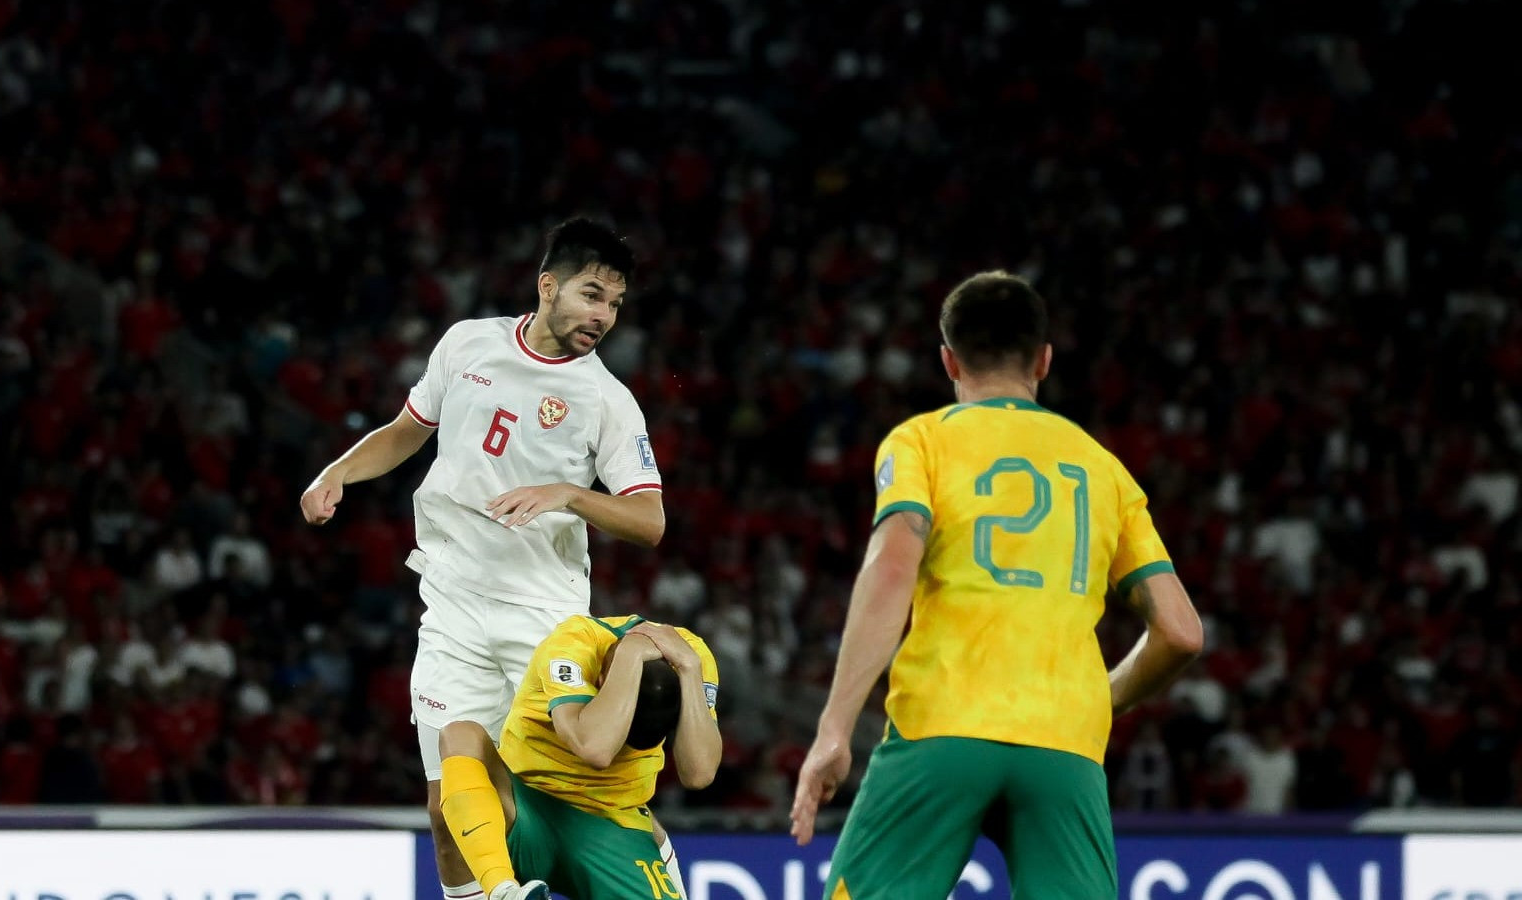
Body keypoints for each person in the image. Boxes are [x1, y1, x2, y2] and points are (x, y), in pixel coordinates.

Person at [790, 271, 1203, 898]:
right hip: (1065, 748)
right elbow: (1180, 632)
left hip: (942, 731)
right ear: (1044, 360)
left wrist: (834, 729)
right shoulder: (1103, 468)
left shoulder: (923, 440)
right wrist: (1100, 697)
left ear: (948, 360)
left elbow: (893, 568)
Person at [299, 219, 672, 900]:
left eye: (614, 305)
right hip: (452, 604)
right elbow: (407, 431)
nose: (602, 316)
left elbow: (650, 520)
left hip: (542, 618)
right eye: (591, 295)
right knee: (447, 809)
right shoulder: (467, 343)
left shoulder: (607, 401)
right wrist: (339, 474)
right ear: (547, 284)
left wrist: (569, 495)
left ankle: (648, 849)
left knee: (562, 800)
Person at [436, 615, 720, 900]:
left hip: (612, 825)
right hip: (527, 806)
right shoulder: (573, 643)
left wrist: (690, 668)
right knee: (460, 735)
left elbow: (699, 774)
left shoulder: (690, 654)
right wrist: (630, 654)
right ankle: (503, 891)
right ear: (600, 679)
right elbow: (595, 749)